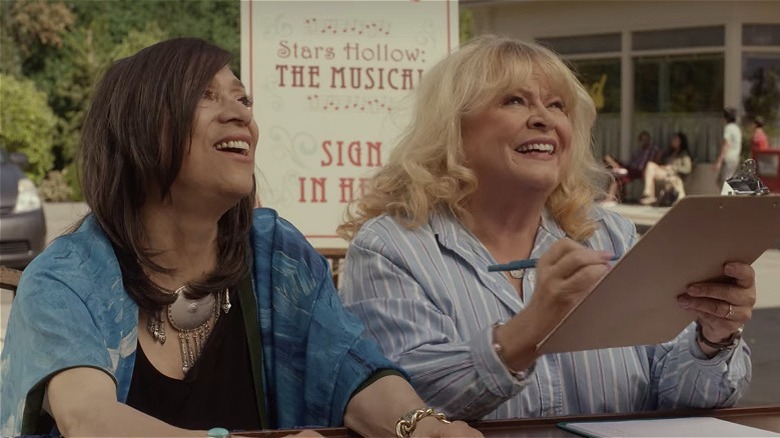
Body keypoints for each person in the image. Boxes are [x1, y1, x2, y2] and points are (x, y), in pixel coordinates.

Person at [0, 38, 480, 438]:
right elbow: (87, 419)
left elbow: (349, 370)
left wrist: (420, 425)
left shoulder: (274, 252)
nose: (240, 116)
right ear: (136, 128)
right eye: (205, 96)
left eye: (243, 99)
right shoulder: (64, 277)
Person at [337, 35, 755, 421]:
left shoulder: (608, 233)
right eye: (515, 101)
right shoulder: (391, 247)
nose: (543, 119)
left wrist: (712, 338)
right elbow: (402, 410)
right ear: (454, 129)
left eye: (557, 106)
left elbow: (674, 397)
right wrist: (531, 327)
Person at [603, 131, 659, 203]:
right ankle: (619, 169)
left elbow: (658, 156)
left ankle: (610, 198)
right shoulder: (638, 151)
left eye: (646, 139)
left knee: (618, 178)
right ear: (640, 140)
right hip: (630, 167)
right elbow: (631, 162)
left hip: (639, 170)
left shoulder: (653, 148)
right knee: (608, 157)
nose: (644, 141)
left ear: (649, 139)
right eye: (642, 139)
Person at [639, 132, 693, 206]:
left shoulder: (684, 154)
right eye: (673, 139)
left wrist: (672, 168)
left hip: (673, 175)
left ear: (681, 142)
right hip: (664, 173)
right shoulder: (669, 152)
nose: (673, 141)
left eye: (676, 140)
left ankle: (649, 195)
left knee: (650, 168)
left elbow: (687, 169)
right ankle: (648, 194)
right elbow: (660, 163)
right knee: (650, 165)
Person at [715, 107, 743, 188]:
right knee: (727, 181)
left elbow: (726, 145)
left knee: (725, 183)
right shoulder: (737, 128)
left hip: (728, 158)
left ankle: (726, 200)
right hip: (735, 158)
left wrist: (719, 161)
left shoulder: (728, 128)